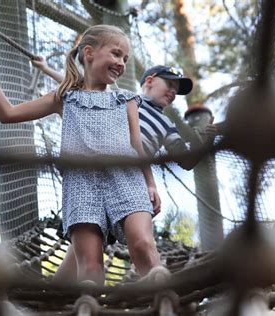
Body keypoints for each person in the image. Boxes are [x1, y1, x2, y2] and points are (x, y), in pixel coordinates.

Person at [0, 25, 163, 285]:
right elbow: (7, 114)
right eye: (116, 54)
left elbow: (138, 147)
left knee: (142, 244)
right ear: (90, 52)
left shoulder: (125, 100)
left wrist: (150, 183)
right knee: (90, 270)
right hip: (81, 186)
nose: (121, 63)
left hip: (126, 178)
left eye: (125, 58)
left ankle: (167, 301)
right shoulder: (65, 98)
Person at [35, 59, 217, 283]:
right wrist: (46, 69)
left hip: (128, 188)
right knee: (83, 254)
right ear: (149, 80)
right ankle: (52, 300)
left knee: (134, 243)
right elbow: (77, 89)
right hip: (94, 181)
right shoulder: (122, 98)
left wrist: (207, 143)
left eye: (177, 90)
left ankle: (159, 290)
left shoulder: (165, 123)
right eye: (169, 84)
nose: (173, 92)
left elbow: (185, 161)